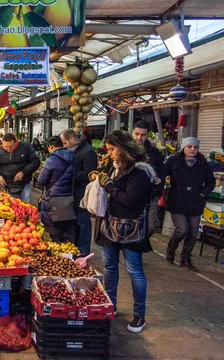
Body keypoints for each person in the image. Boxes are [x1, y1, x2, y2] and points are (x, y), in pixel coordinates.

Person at [91, 130, 154, 333]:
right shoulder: (114, 167)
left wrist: (109, 187)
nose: (109, 154)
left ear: (124, 149)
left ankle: (139, 315)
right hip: (109, 226)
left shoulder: (139, 173)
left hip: (130, 229)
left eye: (112, 149)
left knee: (134, 271)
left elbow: (131, 201)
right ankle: (110, 305)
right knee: (109, 267)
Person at [164, 137, 215, 272]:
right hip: (177, 200)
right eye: (189, 146)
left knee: (193, 233)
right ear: (183, 147)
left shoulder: (202, 163)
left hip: (195, 201)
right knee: (182, 229)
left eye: (195, 147)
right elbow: (162, 172)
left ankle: (185, 258)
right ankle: (171, 249)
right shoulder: (174, 160)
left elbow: (211, 182)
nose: (192, 149)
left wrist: (203, 194)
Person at [60, 129, 97, 255]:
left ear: (72, 139)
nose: (64, 146)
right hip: (74, 192)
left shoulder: (88, 152)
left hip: (82, 194)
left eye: (65, 143)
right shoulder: (74, 150)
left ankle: (84, 250)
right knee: (75, 222)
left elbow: (90, 173)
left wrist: (70, 174)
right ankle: (75, 247)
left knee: (83, 222)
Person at [37, 136, 76, 242]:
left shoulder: (51, 160)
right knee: (65, 231)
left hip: (52, 198)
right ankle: (66, 253)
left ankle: (56, 251)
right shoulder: (73, 157)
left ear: (51, 146)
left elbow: (41, 180)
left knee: (53, 230)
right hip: (67, 198)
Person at [0, 133, 40, 203]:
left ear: (16, 142)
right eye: (6, 146)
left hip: (24, 185)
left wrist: (23, 172)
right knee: (10, 210)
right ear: (2, 143)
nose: (8, 149)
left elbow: (35, 162)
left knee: (26, 208)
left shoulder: (25, 147)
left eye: (11, 146)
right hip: (6, 186)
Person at [132, 120, 165, 236]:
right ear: (132, 132)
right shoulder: (127, 150)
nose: (139, 137)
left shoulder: (154, 152)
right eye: (137, 134)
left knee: (150, 226)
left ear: (147, 135)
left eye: (143, 134)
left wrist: (158, 188)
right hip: (131, 193)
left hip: (151, 194)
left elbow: (162, 172)